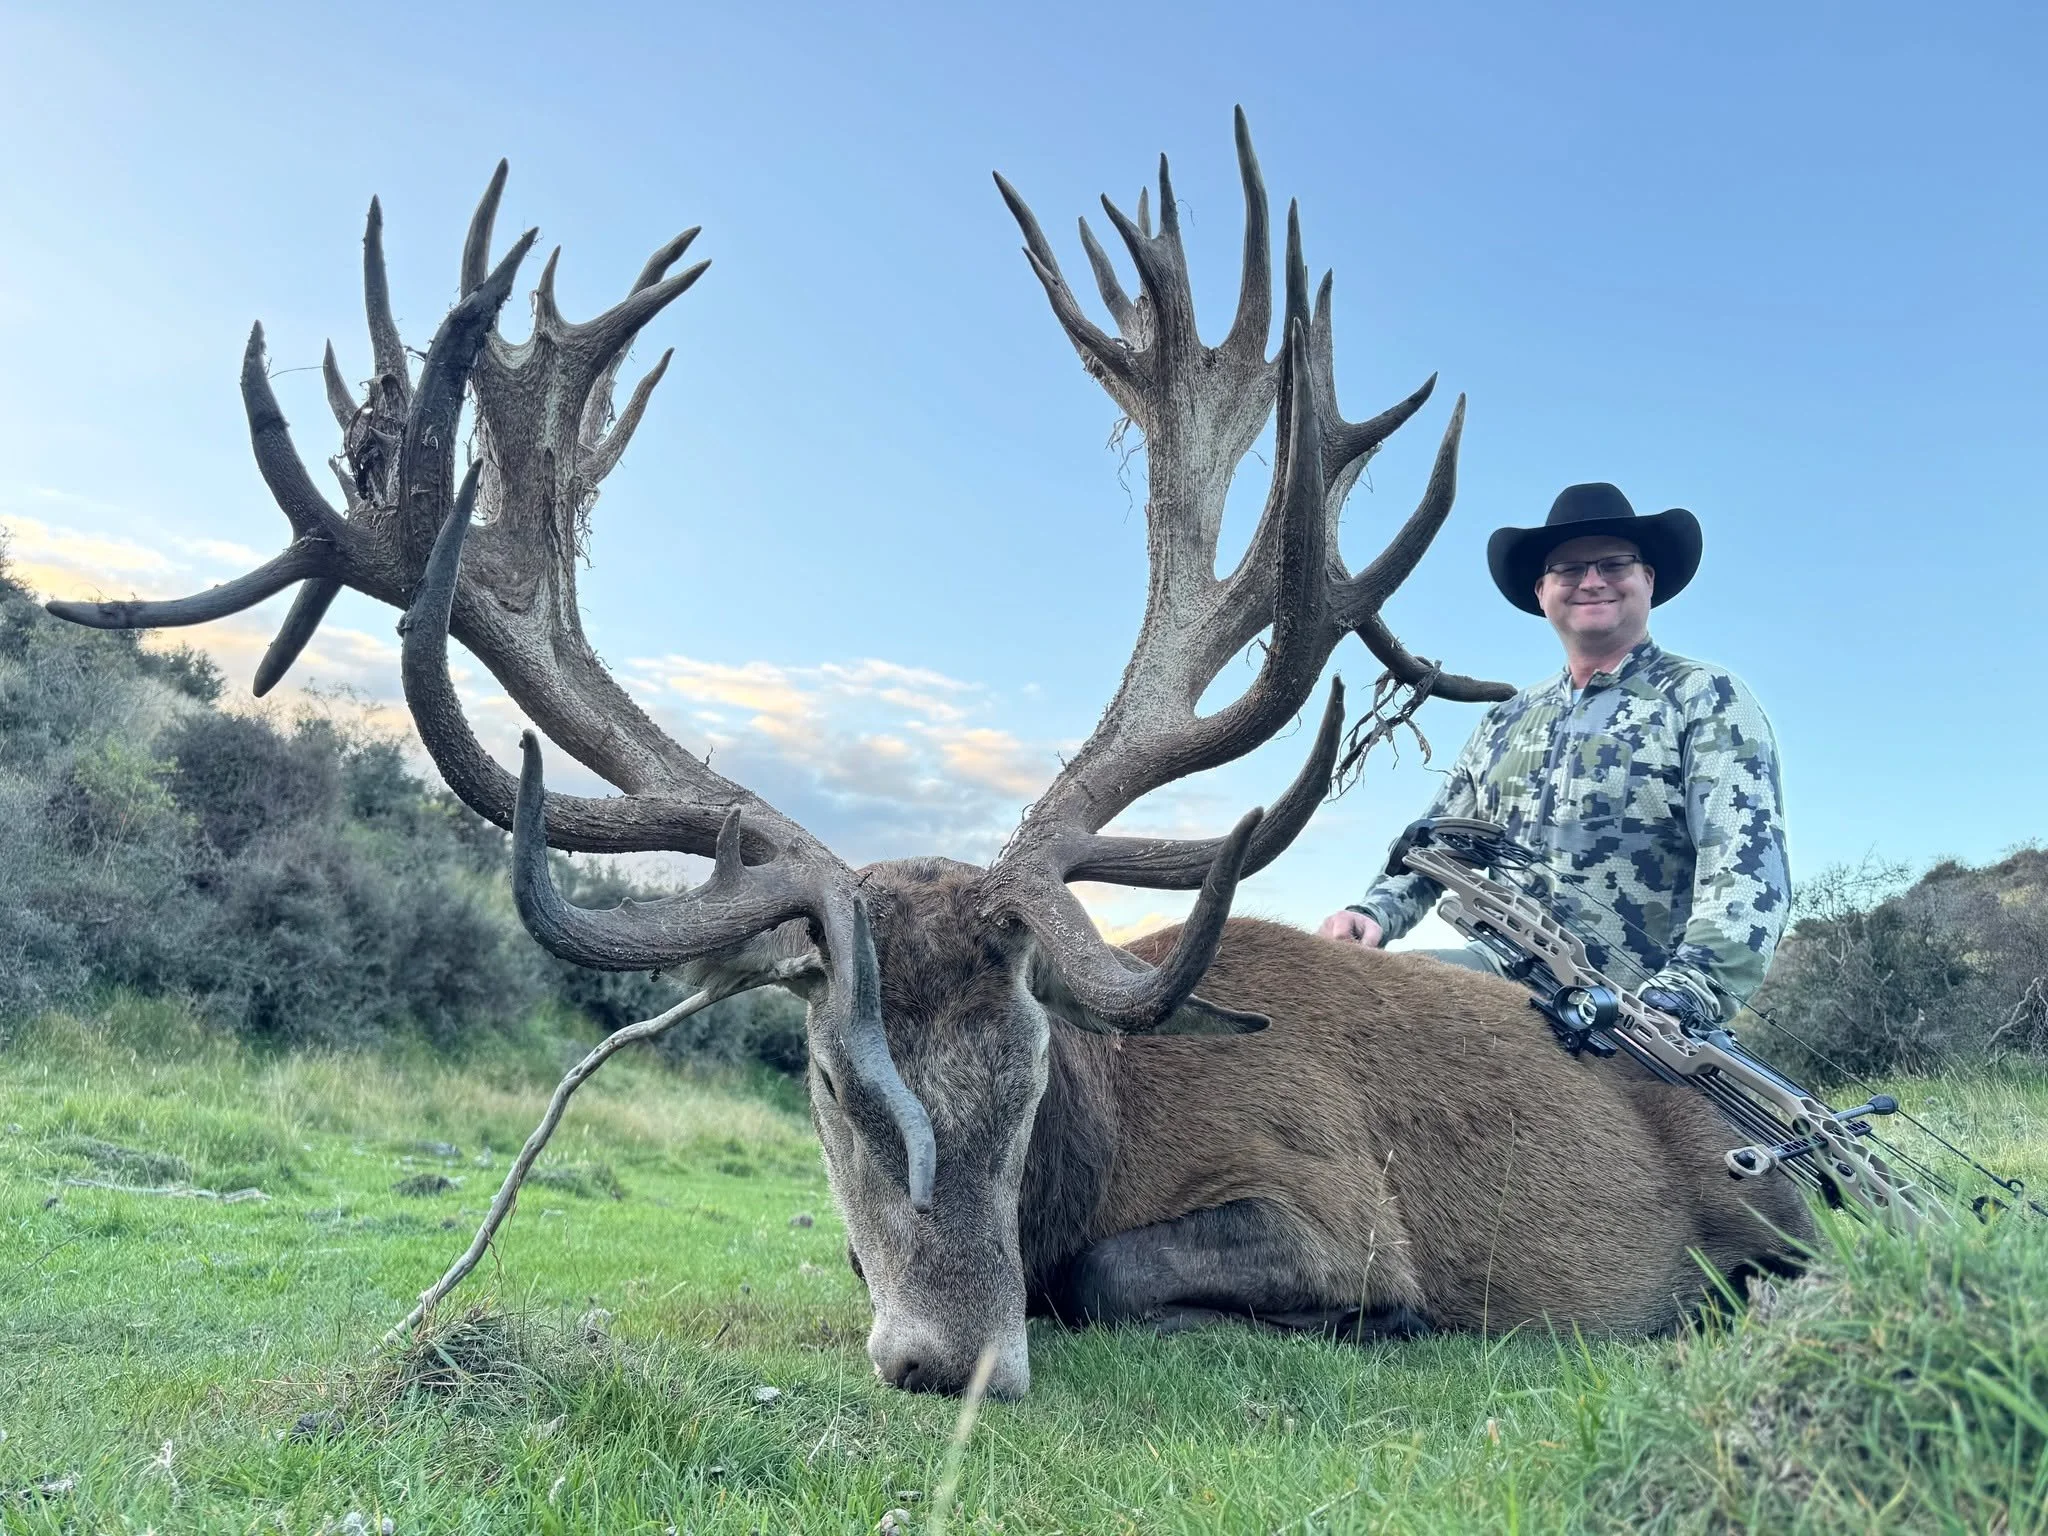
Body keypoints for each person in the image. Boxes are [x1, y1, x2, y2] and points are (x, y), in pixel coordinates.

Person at [1317, 482, 1789, 1028]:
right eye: (1568, 570)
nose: (1591, 581)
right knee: (1358, 999)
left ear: (1648, 581)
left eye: (1614, 564)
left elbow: (1747, 869)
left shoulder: (1706, 697)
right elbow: (1440, 849)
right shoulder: (1502, 722)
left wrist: (1686, 993)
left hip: (1639, 1010)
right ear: (1543, 591)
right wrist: (1371, 914)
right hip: (1501, 977)